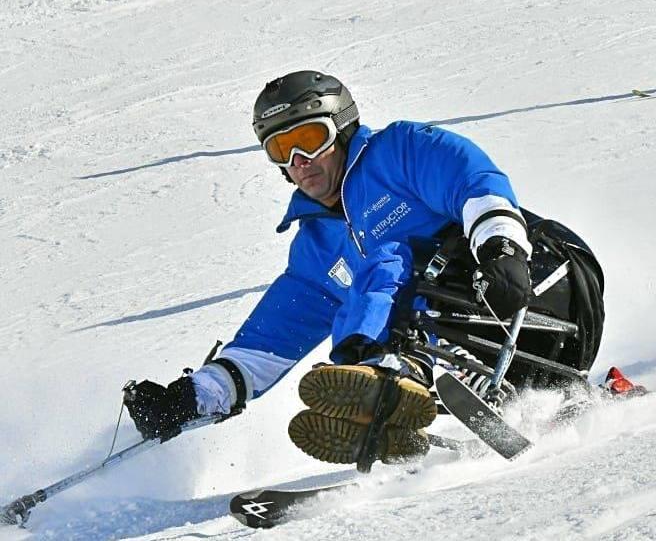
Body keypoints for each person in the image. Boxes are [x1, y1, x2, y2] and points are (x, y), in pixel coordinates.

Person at [125, 71, 589, 464]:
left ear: (342, 128)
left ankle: (391, 374)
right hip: (508, 362)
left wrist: (502, 249)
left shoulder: (400, 152)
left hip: (546, 285)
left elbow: (473, 183)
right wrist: (190, 399)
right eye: (281, 150)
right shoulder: (317, 252)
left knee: (387, 258)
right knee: (363, 277)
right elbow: (265, 347)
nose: (299, 162)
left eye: (309, 140)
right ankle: (386, 395)